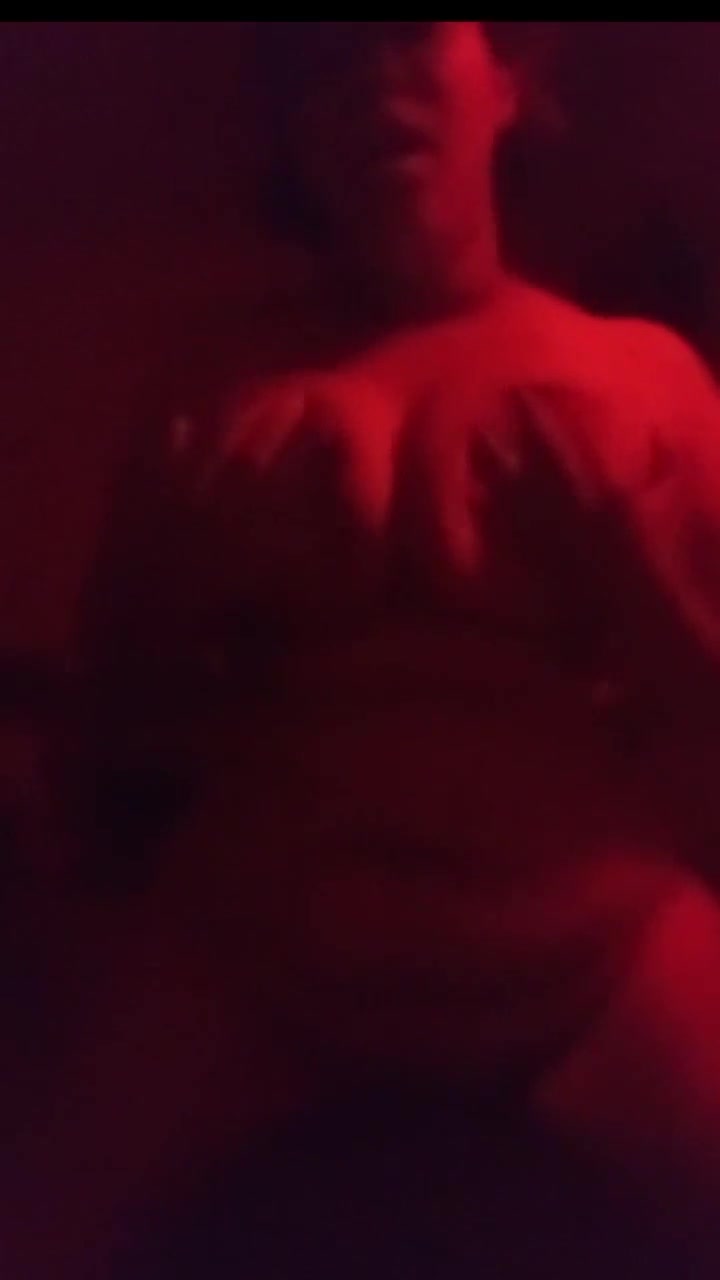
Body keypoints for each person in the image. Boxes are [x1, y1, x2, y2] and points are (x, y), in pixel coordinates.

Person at [73, 20, 720, 1276]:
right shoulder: (211, 391)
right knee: (50, 1207)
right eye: (324, 60)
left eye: (410, 34)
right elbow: (120, 726)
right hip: (262, 935)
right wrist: (209, 585)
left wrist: (629, 559)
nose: (371, 80)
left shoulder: (637, 380)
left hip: (592, 945)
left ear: (509, 78)